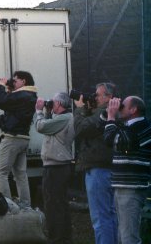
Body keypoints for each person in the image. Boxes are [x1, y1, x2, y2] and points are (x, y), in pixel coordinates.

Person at [74, 82, 118, 244]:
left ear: (109, 97)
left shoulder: (104, 113)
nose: (95, 97)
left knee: (100, 217)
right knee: (111, 215)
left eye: (98, 94)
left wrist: (80, 109)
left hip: (98, 169)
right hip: (109, 168)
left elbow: (80, 129)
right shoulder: (114, 112)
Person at [103, 96, 151, 244]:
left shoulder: (143, 127)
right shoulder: (128, 126)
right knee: (123, 235)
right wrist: (108, 114)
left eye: (122, 106)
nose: (119, 108)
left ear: (134, 109)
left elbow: (112, 140)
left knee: (129, 237)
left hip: (132, 188)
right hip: (123, 187)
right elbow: (106, 130)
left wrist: (111, 117)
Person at [0, 70, 37, 207]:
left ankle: (6, 206)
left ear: (24, 81)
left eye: (15, 80)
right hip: (23, 138)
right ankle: (25, 204)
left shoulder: (22, 94)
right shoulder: (30, 95)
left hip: (12, 137)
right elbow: (11, 104)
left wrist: (0, 85)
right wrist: (9, 89)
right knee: (20, 174)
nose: (13, 81)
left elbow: (0, 102)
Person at [35, 92, 75, 244]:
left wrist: (39, 111)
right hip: (57, 166)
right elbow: (49, 124)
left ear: (59, 104)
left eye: (53, 101)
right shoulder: (61, 118)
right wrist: (47, 111)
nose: (50, 103)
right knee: (59, 203)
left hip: (56, 166)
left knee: (53, 205)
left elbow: (41, 126)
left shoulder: (65, 117)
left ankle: (56, 238)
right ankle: (63, 237)